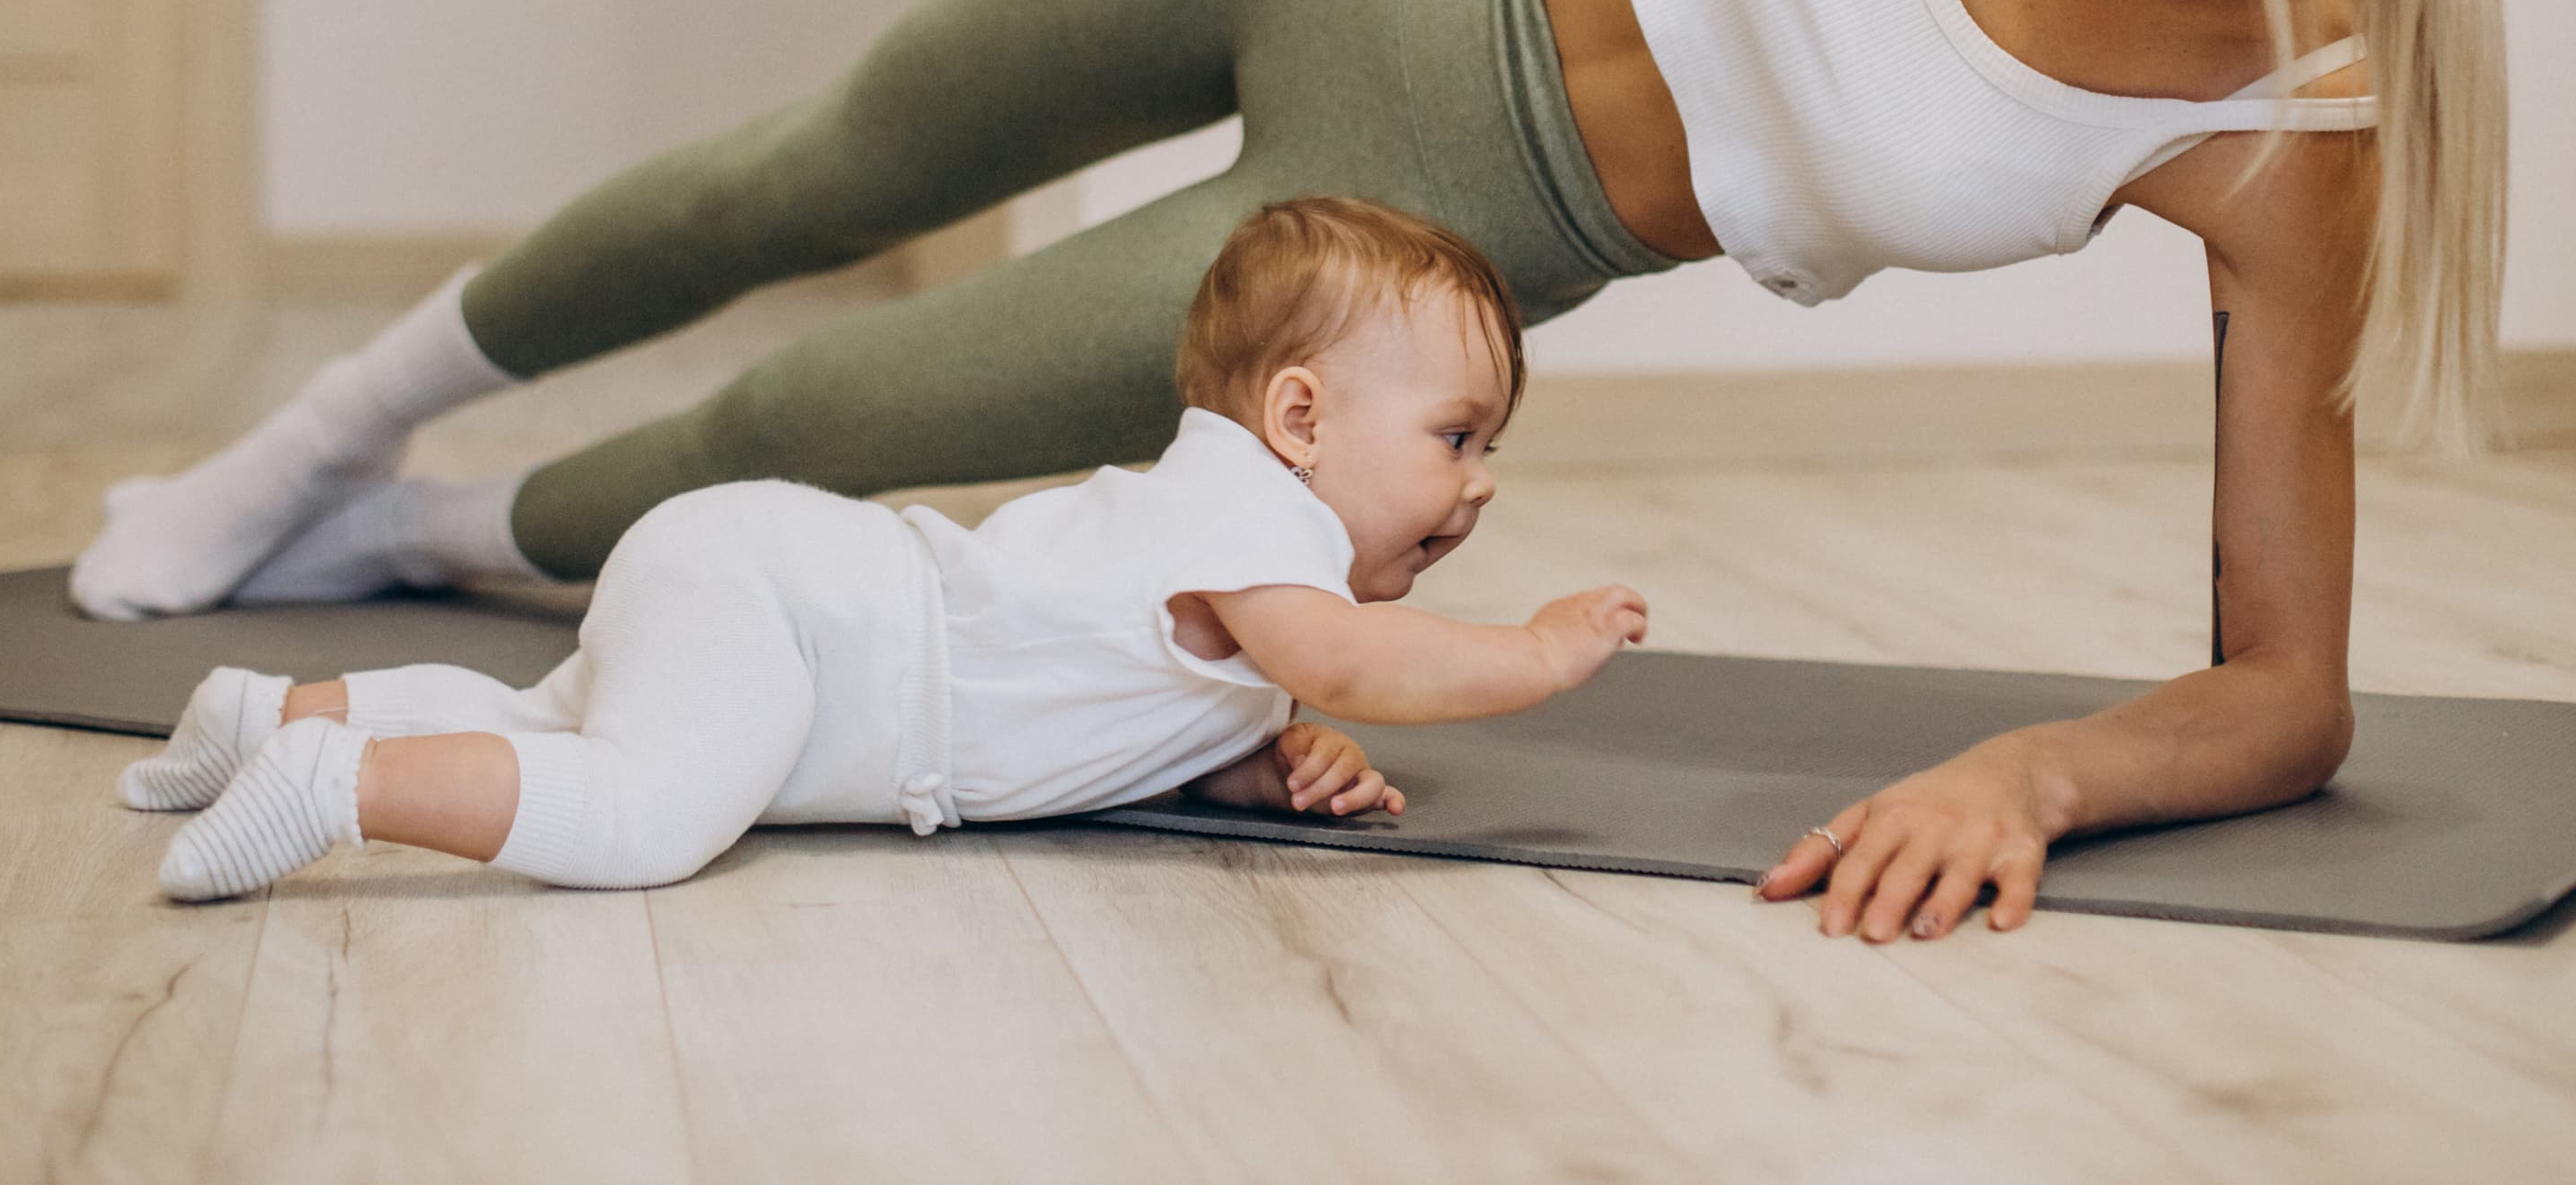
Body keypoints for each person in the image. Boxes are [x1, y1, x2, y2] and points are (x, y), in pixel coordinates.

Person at [75, 0, 2503, 946]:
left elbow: (2288, 686)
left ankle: (424, 530)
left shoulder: (2284, 135)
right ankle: (309, 434)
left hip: (1420, 224)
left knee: (807, 421)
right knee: (800, 173)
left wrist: (2034, 771)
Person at [124, 199, 1647, 900]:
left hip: (773, 588)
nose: (1481, 485)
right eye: (1457, 436)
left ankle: (274, 713)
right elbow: (1347, 654)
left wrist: (1264, 762)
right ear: (1299, 415)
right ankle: (343, 787)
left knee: (551, 723)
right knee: (646, 815)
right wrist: (1529, 652)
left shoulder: (1238, 555)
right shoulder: (1251, 519)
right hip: (805, 622)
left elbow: (1150, 705)